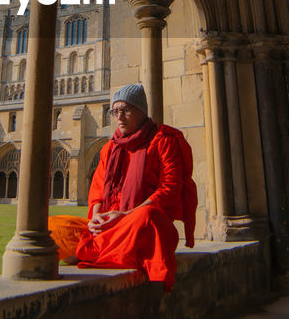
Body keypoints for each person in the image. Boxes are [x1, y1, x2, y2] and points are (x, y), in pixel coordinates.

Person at [48, 83, 197, 292]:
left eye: (125, 110)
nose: (119, 117)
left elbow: (169, 188)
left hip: (135, 223)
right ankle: (104, 249)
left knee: (148, 218)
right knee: (50, 228)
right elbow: (98, 188)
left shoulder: (163, 140)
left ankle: (92, 251)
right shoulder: (110, 147)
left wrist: (126, 215)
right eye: (115, 111)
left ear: (141, 111)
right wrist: (97, 218)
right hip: (108, 224)